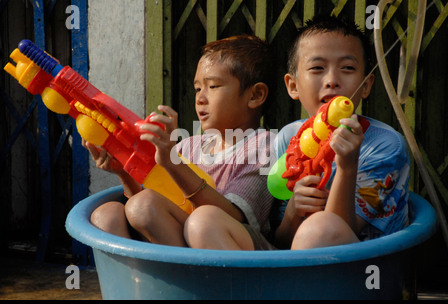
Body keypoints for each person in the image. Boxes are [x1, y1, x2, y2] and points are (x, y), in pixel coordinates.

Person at [86, 34, 276, 250]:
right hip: (185, 237)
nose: (200, 98)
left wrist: (173, 163)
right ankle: (141, 283)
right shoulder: (187, 147)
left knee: (183, 215)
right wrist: (124, 171)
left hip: (236, 255)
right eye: (197, 88)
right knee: (106, 215)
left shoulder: (265, 146)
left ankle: (185, 282)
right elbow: (147, 214)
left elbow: (231, 217)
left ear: (255, 95)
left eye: (213, 86)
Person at [273, 15, 410, 250]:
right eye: (317, 68)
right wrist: (293, 212)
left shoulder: (386, 145)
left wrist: (347, 166)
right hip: (299, 267)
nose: (332, 81)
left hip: (366, 273)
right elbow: (282, 243)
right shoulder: (289, 138)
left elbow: (335, 236)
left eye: (347, 68)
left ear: (366, 85)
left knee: (319, 227)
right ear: (293, 86)